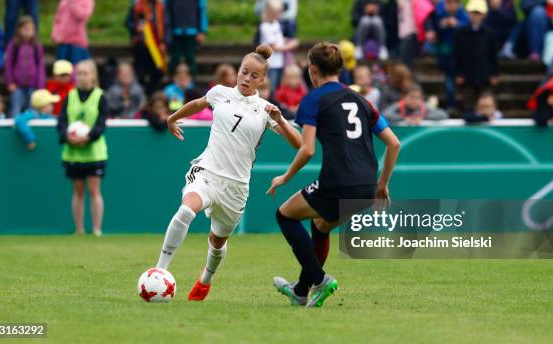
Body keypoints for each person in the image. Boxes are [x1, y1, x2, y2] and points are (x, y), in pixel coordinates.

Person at [153, 44, 302, 301]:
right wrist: (172, 118)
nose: (247, 78)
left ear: (262, 80)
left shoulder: (266, 109)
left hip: (236, 186)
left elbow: (299, 143)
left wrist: (280, 119)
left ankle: (205, 280)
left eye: (254, 76)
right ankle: (159, 272)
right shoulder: (220, 93)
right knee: (186, 210)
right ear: (238, 71)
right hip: (208, 171)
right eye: (244, 72)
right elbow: (198, 103)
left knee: (218, 241)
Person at [267, 42, 400, 307]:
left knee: (284, 215)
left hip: (338, 182)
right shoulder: (362, 100)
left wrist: (285, 177)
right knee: (321, 225)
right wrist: (382, 185)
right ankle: (302, 291)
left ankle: (319, 279)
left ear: (312, 70)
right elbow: (394, 143)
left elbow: (306, 150)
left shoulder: (313, 100)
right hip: (366, 187)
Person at [56, 60, 108, 237]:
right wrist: (67, 137)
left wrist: (88, 137)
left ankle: (96, 229)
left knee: (94, 191)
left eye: (86, 73)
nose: (82, 77)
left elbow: (102, 123)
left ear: (93, 76)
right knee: (77, 191)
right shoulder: (70, 96)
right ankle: (79, 229)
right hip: (73, 153)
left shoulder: (100, 96)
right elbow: (61, 121)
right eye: (79, 74)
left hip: (94, 153)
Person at [454, 0, 499, 116]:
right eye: (473, 13)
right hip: (467, 75)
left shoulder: (489, 33)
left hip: (484, 75)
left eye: (478, 13)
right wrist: (458, 73)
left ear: (483, 15)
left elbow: (493, 55)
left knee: (485, 102)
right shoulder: (461, 33)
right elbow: (457, 55)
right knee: (468, 102)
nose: (476, 16)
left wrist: (494, 74)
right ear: (469, 14)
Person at [426, 0, 469, 109]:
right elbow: (434, 29)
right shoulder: (439, 13)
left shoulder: (463, 15)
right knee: (449, 80)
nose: (450, 5)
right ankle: (451, 104)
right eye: (448, 3)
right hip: (446, 55)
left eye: (453, 3)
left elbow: (468, 30)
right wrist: (442, 25)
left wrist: (457, 24)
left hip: (462, 56)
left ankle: (464, 105)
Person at [4, 16, 45, 117]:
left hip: (32, 85)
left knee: (32, 110)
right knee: (16, 109)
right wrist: (10, 82)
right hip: (17, 85)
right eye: (25, 29)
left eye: (31, 29)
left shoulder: (36, 46)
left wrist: (40, 85)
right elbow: (8, 64)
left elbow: (40, 66)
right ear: (19, 30)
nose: (28, 32)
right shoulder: (14, 45)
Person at [126, 0, 167, 95]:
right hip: (141, 46)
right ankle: (140, 95)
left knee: (158, 72)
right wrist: (136, 27)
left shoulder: (161, 6)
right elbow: (128, 22)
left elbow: (167, 24)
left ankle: (151, 94)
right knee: (140, 73)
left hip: (157, 47)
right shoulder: (137, 5)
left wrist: (165, 42)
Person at [260, 0, 299, 92]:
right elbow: (274, 47)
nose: (280, 14)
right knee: (271, 88)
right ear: (270, 13)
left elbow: (279, 39)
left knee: (278, 87)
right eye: (278, 12)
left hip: (279, 62)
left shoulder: (276, 24)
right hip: (270, 63)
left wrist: (287, 40)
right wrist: (291, 46)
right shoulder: (265, 26)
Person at [167, 0, 208, 77]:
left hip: (192, 33)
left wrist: (202, 31)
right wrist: (167, 31)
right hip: (174, 33)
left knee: (191, 60)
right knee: (174, 60)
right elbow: (166, 12)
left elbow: (202, 10)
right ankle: (172, 83)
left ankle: (191, 84)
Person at [51, 0, 94, 64]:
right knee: (61, 69)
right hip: (63, 42)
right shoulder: (64, 1)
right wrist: (55, 33)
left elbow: (82, 16)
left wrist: (74, 2)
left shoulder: (87, 1)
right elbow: (58, 18)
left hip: (77, 43)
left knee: (76, 68)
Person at [383, 83, 448, 125]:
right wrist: (404, 118)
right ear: (403, 97)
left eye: (418, 98)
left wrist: (423, 117)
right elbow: (385, 114)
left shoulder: (424, 107)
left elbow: (443, 114)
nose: (415, 101)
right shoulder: (398, 106)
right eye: (412, 97)